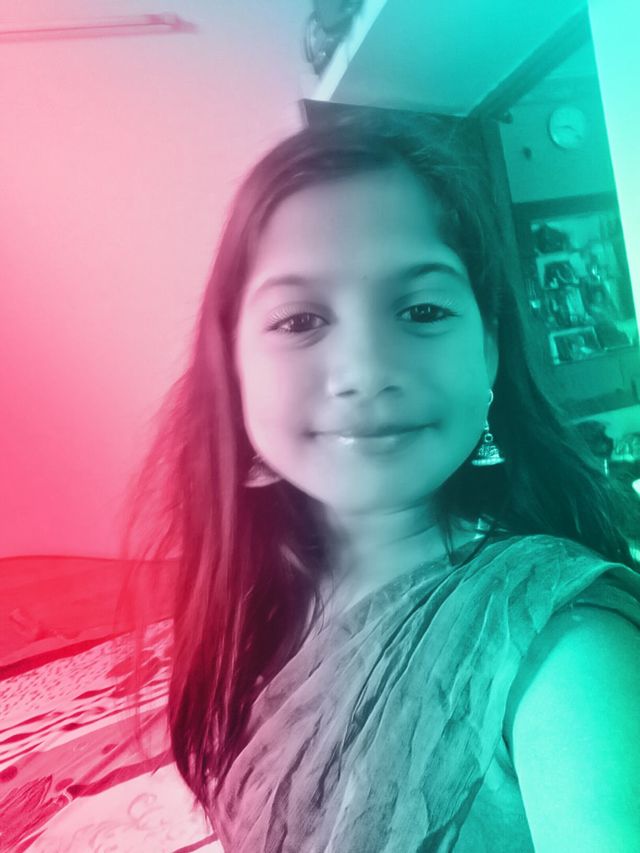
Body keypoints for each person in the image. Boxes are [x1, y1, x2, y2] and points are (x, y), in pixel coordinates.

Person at [124, 113, 640, 852]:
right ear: (231, 363)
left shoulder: (569, 654)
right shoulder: (255, 604)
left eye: (422, 310)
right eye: (299, 319)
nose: (364, 370)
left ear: (489, 349)